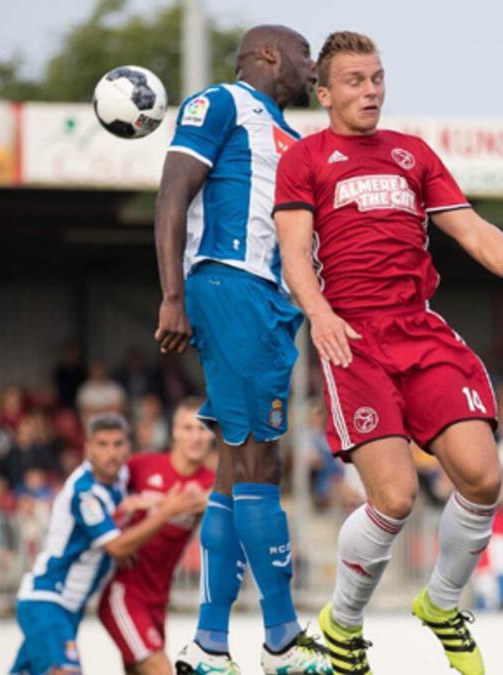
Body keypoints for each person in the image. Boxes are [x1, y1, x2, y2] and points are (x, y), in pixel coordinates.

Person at [272, 31, 503, 675]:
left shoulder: (412, 153)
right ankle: (342, 627)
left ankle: (443, 603)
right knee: (397, 498)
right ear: (324, 93)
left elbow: (472, 229)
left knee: (484, 476)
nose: (371, 90)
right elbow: (294, 253)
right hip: (351, 338)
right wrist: (318, 314)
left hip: (420, 330)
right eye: (354, 80)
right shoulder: (305, 159)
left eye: (377, 77)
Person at [152, 23, 331, 675]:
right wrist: (173, 293)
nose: (312, 69)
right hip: (231, 283)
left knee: (238, 469)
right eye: (305, 56)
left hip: (269, 303)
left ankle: (209, 643)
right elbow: (173, 192)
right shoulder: (219, 103)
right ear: (268, 55)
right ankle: (283, 641)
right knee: (260, 462)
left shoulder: (289, 133)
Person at [9, 413, 205, 675]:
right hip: (48, 599)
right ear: (88, 448)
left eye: (117, 444)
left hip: (69, 607)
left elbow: (128, 507)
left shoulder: (122, 477)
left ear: (128, 447)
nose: (110, 453)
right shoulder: (85, 493)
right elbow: (116, 547)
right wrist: (165, 511)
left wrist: (146, 505)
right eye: (102, 445)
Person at [98, 399, 216, 674]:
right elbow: (99, 494)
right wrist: (119, 522)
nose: (195, 437)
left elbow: (231, 498)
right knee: (162, 670)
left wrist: (157, 504)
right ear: (173, 432)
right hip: (125, 593)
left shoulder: (211, 482)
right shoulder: (141, 466)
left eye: (202, 429)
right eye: (187, 428)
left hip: (158, 599)